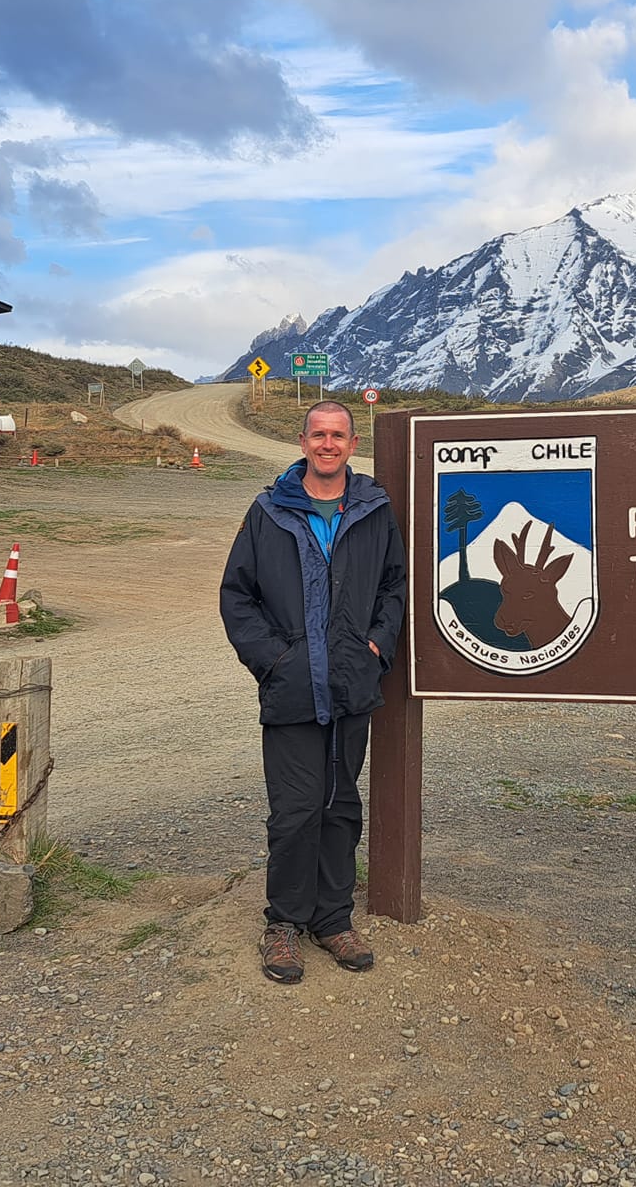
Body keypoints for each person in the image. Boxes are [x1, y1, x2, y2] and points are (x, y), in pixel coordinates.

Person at [220, 400, 405, 983]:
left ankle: (333, 918)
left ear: (352, 445)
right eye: (319, 435)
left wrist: (375, 647)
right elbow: (237, 597)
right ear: (303, 442)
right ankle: (284, 923)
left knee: (340, 804)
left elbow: (394, 588)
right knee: (295, 810)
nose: (328, 444)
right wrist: (275, 661)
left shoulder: (374, 509)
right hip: (293, 691)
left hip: (352, 684)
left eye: (339, 436)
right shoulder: (270, 511)